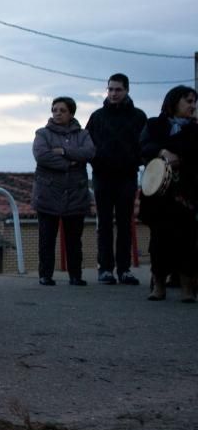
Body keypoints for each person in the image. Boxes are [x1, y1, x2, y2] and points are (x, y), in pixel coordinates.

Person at [85, 73, 147, 286]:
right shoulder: (97, 117)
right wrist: (97, 162)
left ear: (127, 90)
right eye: (110, 89)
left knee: (124, 224)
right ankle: (105, 270)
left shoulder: (139, 117)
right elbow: (88, 144)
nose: (113, 93)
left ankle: (124, 269)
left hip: (127, 177)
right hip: (102, 177)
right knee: (104, 225)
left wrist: (133, 161)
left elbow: (145, 146)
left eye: (118, 89)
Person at [138, 86, 197, 301]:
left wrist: (180, 158)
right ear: (174, 103)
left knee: (187, 238)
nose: (192, 106)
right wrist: (162, 152)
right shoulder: (154, 125)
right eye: (188, 101)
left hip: (186, 192)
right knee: (159, 239)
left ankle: (187, 287)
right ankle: (159, 284)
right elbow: (143, 148)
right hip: (159, 194)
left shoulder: (195, 129)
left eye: (194, 102)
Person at [32, 97, 95, 287]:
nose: (57, 113)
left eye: (62, 110)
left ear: (71, 113)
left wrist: (64, 151)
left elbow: (90, 152)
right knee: (46, 239)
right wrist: (71, 162)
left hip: (76, 193)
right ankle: (45, 275)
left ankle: (75, 275)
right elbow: (42, 156)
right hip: (48, 193)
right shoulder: (42, 134)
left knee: (74, 240)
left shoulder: (83, 134)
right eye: (54, 110)